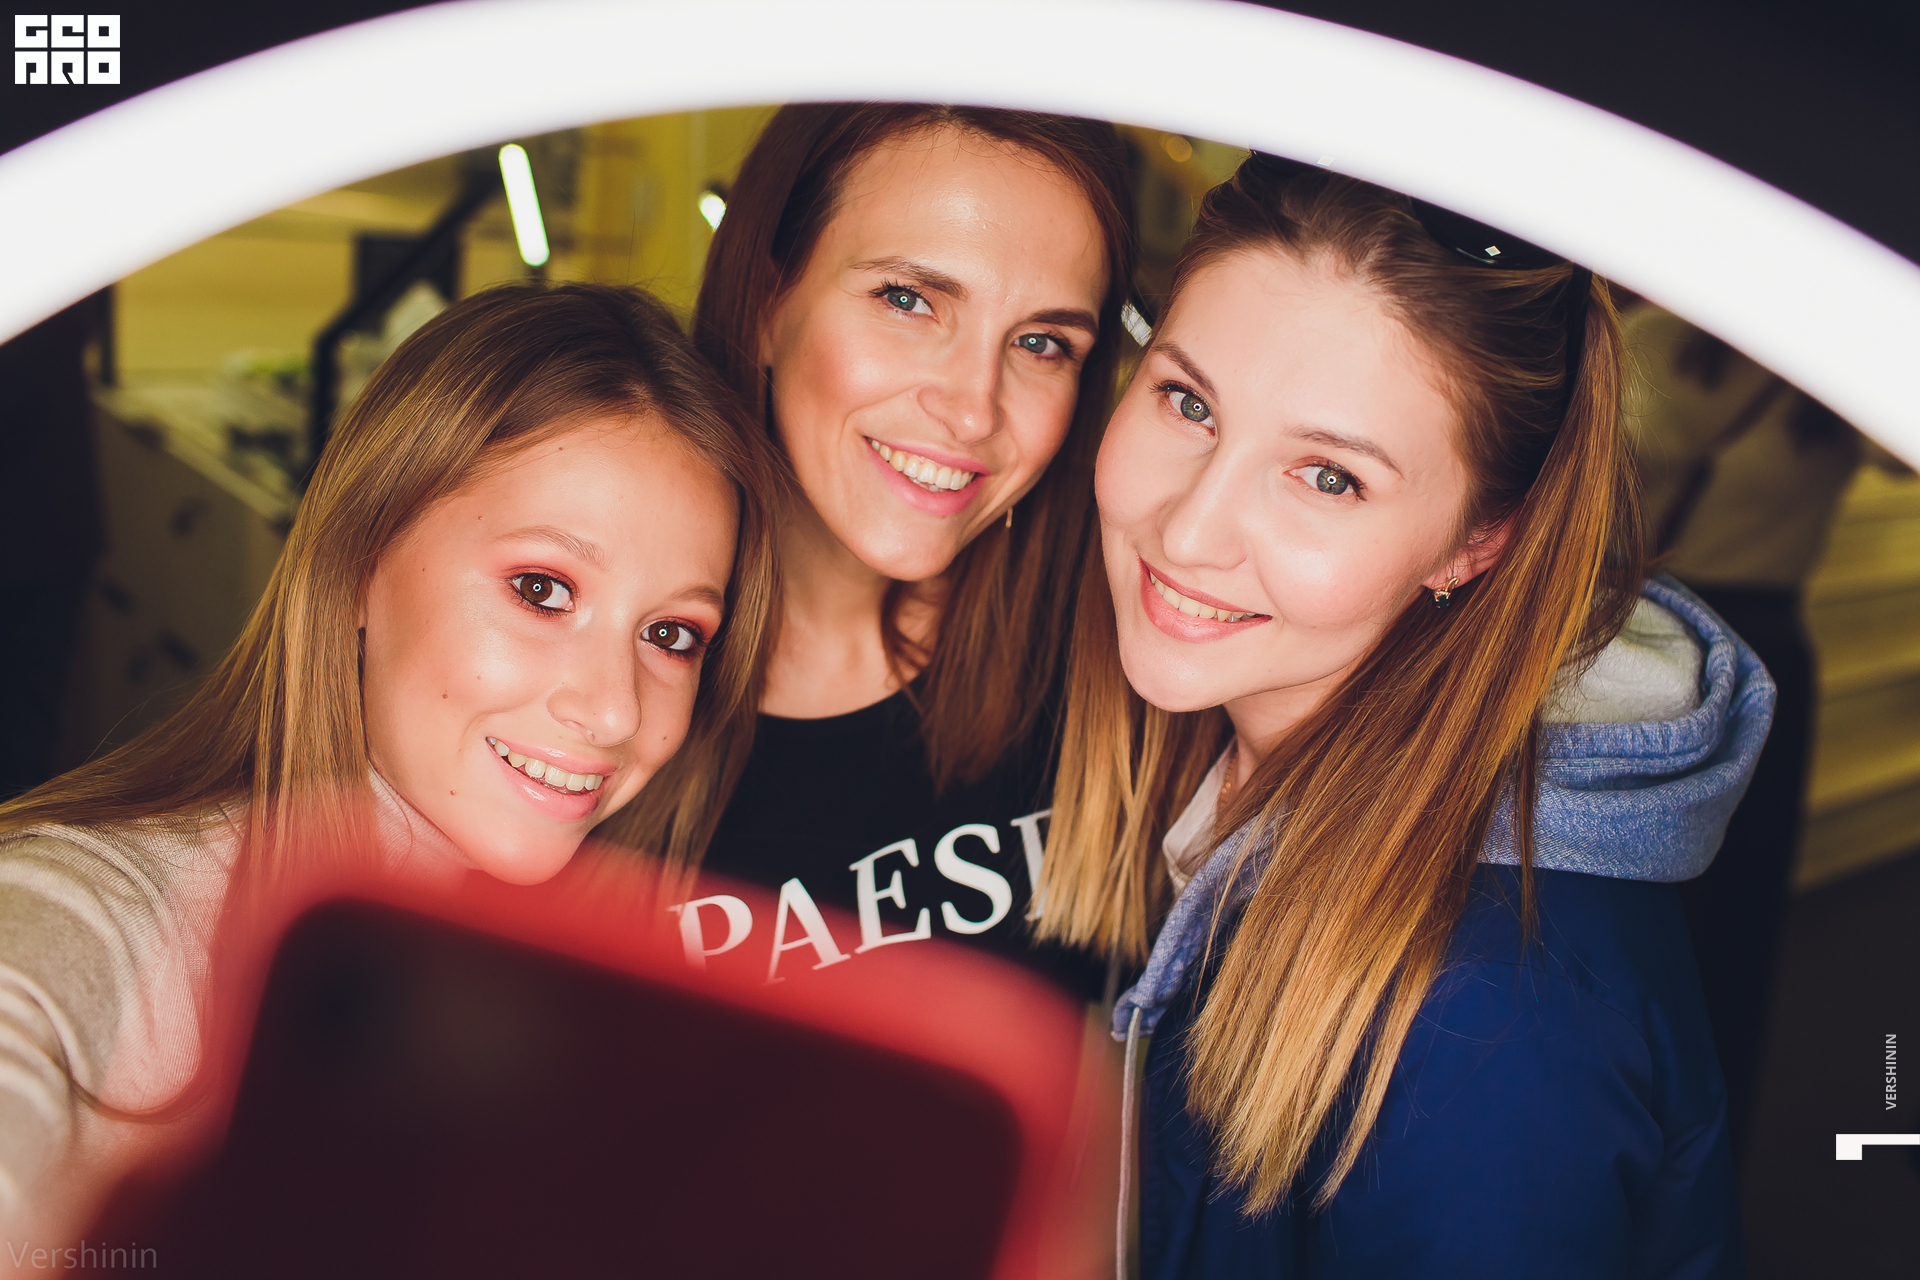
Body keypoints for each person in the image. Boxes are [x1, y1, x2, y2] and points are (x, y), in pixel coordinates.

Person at [1035, 157, 1773, 1276]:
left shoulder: (1491, 1022)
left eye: (1328, 477)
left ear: (1478, 541)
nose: (1188, 532)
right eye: (1188, 403)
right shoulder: (1239, 743)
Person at [0, 283, 774, 1225]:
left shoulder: (592, 1019)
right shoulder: (89, 919)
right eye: (542, 589)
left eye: (671, 635)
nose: (613, 710)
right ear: (363, 560)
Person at [683, 105, 1138, 997]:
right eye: (909, 300)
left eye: (1042, 343)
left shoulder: (1120, 680)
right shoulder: (591, 675)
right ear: (769, 303)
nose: (973, 409)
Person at [1625, 304, 1914, 1162]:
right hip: (1634, 640)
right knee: (1628, 909)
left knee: (1728, 924)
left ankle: (1702, 1149)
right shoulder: (1656, 337)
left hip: (1758, 649)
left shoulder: (1839, 385)